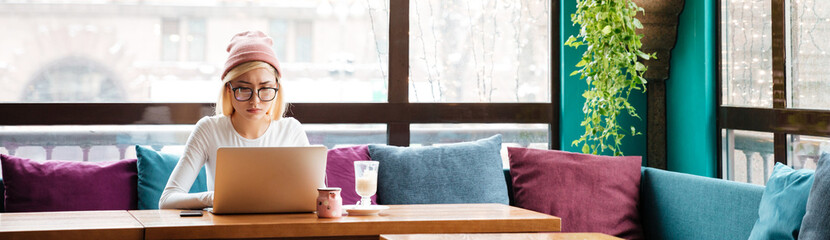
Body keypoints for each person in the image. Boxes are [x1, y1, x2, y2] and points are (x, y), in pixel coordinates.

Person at [159, 31, 310, 209]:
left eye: (265, 88)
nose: (255, 100)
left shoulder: (291, 130)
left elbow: (316, 196)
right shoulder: (209, 129)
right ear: (229, 90)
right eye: (244, 89)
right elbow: (167, 200)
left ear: (276, 88)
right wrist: (215, 198)